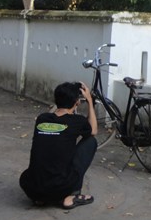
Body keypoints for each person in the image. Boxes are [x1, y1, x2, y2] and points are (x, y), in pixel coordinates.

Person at [19, 81, 98, 209]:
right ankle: (70, 196)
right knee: (90, 141)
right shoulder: (77, 121)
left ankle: (41, 199)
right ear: (77, 102)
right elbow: (93, 131)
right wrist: (89, 100)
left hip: (31, 188)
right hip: (60, 187)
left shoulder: (42, 118)